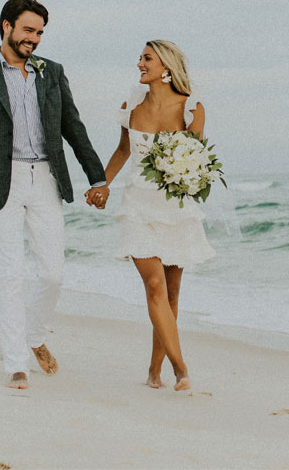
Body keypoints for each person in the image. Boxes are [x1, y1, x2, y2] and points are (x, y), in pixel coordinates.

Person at [0, 0, 108, 389]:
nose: (34, 39)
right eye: (28, 30)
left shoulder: (51, 73)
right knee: (10, 274)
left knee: (54, 274)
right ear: (6, 26)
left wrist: (98, 177)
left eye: (40, 32)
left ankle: (35, 336)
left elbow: (73, 127)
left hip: (46, 179)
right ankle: (16, 364)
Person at [86, 40, 214, 391]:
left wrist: (186, 174)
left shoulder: (191, 108)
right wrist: (102, 183)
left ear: (166, 66)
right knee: (154, 284)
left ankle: (153, 372)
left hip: (175, 207)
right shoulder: (131, 106)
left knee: (171, 294)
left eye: (146, 58)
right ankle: (181, 370)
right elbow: (124, 149)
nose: (139, 63)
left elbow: (197, 159)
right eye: (141, 58)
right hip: (138, 206)